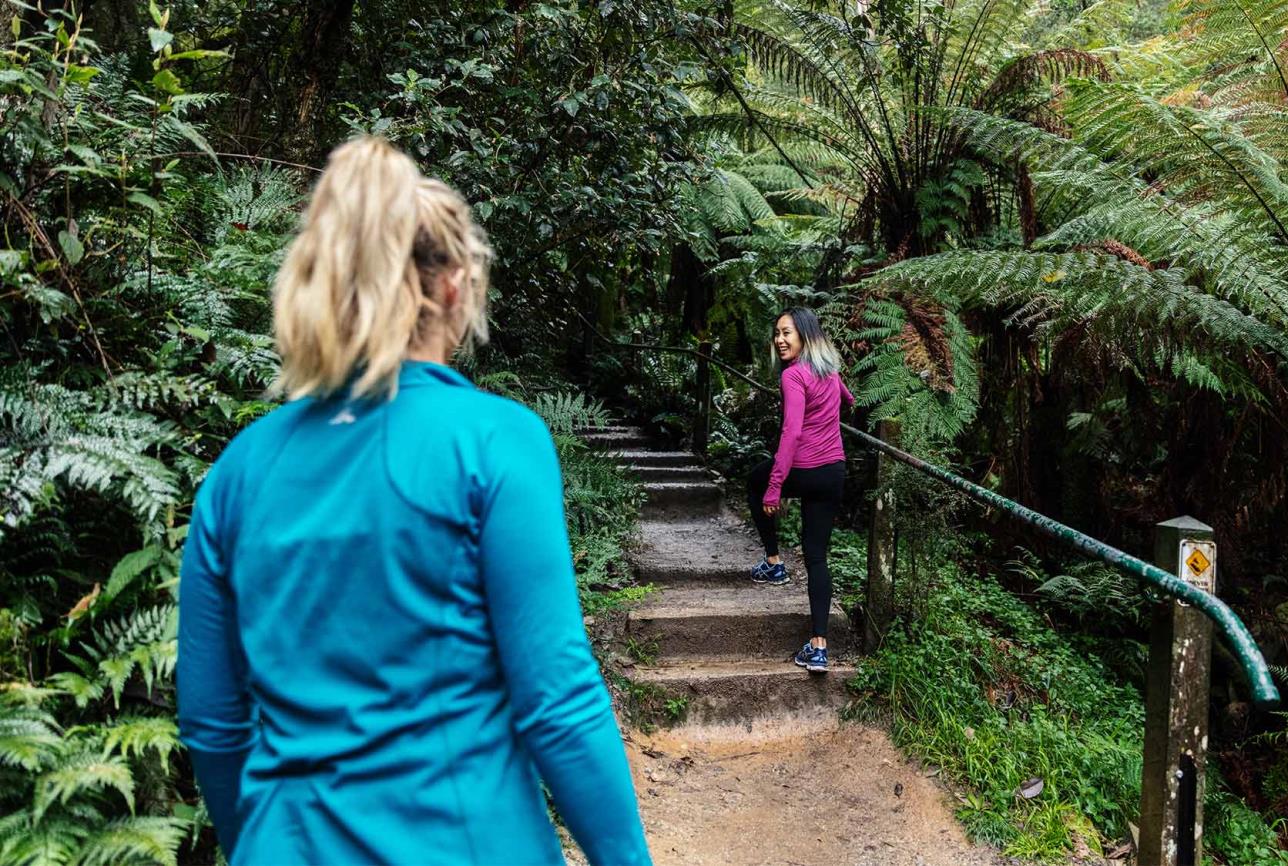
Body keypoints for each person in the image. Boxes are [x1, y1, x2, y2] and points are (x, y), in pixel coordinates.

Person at [176, 137, 651, 866]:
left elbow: (212, 725)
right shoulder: (495, 443)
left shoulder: (239, 473)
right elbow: (556, 704)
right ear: (456, 286)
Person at [746, 307, 853, 674]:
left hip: (804, 470)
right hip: (834, 472)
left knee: (754, 482)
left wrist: (775, 487)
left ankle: (774, 563)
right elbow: (847, 398)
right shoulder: (829, 369)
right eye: (777, 332)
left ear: (805, 335)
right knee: (816, 555)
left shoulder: (793, 376)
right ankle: (819, 646)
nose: (779, 339)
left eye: (787, 332)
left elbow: (790, 433)